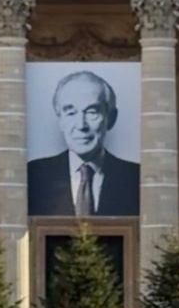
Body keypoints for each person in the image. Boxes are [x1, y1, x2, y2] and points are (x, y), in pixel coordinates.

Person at [27, 70, 139, 217]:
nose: (81, 125)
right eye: (71, 113)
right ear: (60, 120)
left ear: (111, 118)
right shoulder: (32, 175)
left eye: (92, 112)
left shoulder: (136, 177)